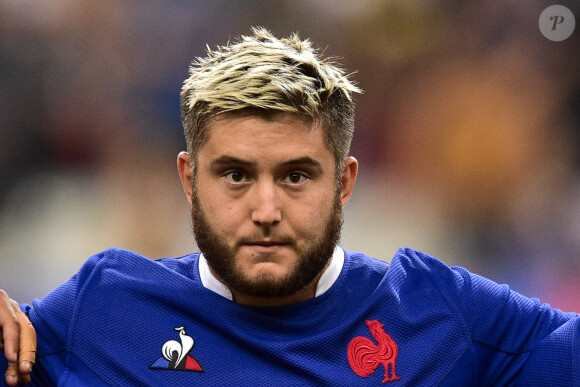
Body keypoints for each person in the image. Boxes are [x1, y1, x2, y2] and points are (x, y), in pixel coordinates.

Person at [1, 27, 579, 386]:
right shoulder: (102, 309)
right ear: (188, 177)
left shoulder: (439, 313)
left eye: (296, 176)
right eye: (235, 175)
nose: (266, 209)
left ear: (346, 182)